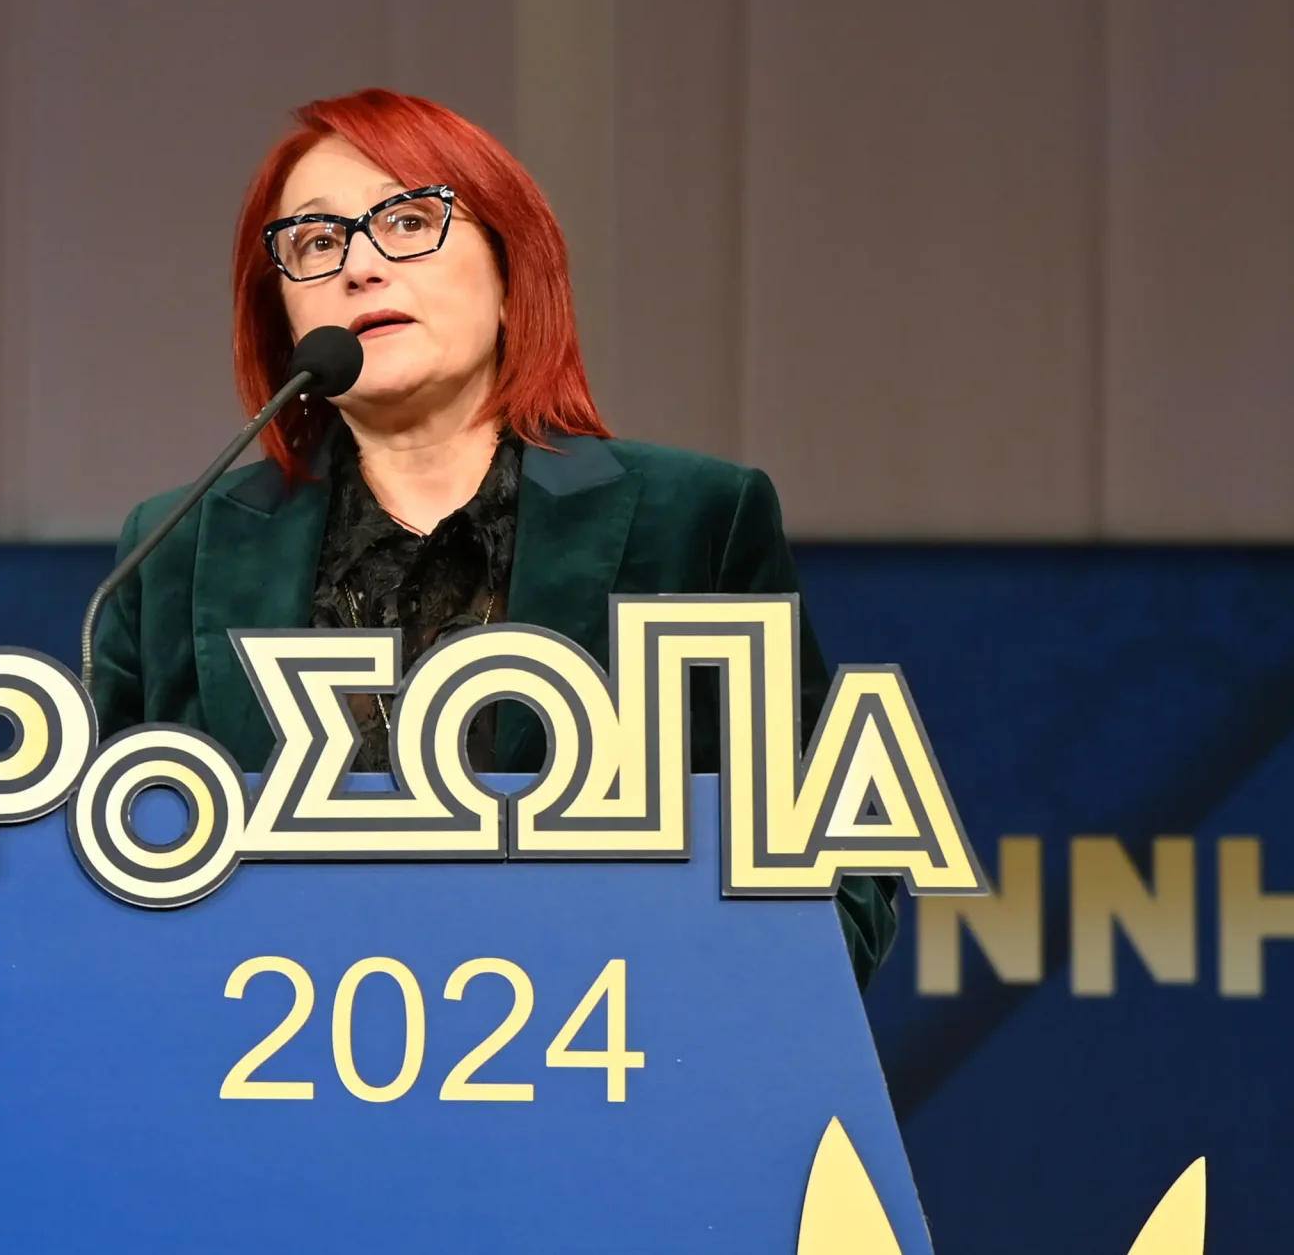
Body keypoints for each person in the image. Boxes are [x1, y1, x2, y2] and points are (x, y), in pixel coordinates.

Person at [90, 89, 897, 986]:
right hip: (272, 1055)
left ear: (513, 276)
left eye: (407, 220)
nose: (360, 266)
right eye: (317, 242)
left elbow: (838, 872)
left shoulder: (694, 522)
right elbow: (98, 886)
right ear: (281, 315)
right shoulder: (174, 549)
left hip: (609, 1054)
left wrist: (705, 1013)